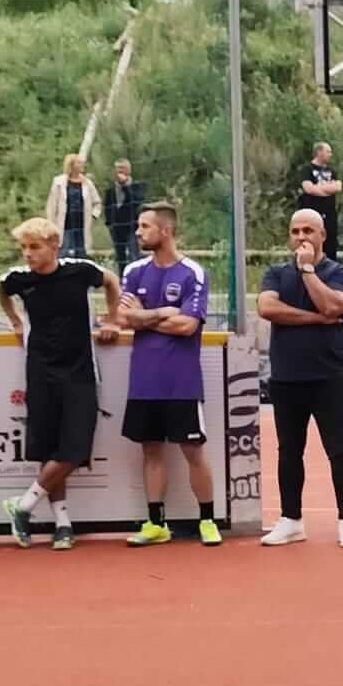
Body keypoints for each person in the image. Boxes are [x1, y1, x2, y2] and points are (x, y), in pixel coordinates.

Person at [0, 217, 120, 551]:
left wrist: (113, 318)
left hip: (80, 372)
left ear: (54, 246)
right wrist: (15, 320)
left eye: (34, 247)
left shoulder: (80, 271)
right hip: (41, 372)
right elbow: (0, 288)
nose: (28, 254)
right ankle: (62, 524)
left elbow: (111, 281)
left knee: (75, 449)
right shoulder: (20, 279)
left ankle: (22, 505)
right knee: (50, 449)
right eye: (24, 248)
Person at [259, 208, 343, 549]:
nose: (301, 237)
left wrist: (307, 271)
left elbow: (333, 306)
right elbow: (267, 309)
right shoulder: (276, 273)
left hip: (328, 377)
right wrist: (315, 319)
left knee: (338, 449)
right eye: (295, 231)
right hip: (286, 377)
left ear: (322, 236)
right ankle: (291, 520)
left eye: (308, 230)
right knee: (289, 451)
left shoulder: (339, 272)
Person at [117, 200, 219, 547]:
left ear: (166, 230)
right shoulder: (134, 271)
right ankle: (156, 523)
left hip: (181, 381)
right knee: (151, 450)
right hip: (143, 381)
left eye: (145, 226)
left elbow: (187, 326)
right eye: (138, 226)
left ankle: (208, 520)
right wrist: (163, 312)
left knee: (193, 450)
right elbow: (123, 317)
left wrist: (144, 317)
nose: (138, 232)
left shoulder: (193, 273)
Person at [45, 154, 104, 261]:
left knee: (81, 255)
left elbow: (97, 202)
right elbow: (51, 206)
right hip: (64, 226)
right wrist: (51, 225)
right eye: (79, 163)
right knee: (63, 254)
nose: (82, 165)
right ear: (71, 165)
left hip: (82, 226)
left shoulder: (87, 183)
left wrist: (93, 215)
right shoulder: (59, 182)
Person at [300, 142, 343, 259]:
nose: (330, 154)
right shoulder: (307, 169)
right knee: (312, 243)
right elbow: (308, 188)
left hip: (330, 214)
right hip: (312, 214)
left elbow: (338, 187)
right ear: (319, 152)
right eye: (328, 151)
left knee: (330, 244)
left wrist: (318, 188)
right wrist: (327, 190)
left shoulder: (332, 171)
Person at [104, 159, 144, 273]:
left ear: (128, 170)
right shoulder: (111, 188)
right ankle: (122, 279)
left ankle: (136, 277)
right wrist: (109, 223)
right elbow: (107, 206)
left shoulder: (136, 186)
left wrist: (126, 186)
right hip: (117, 228)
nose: (119, 171)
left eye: (122, 168)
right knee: (120, 257)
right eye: (117, 168)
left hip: (132, 227)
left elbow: (137, 202)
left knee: (133, 255)